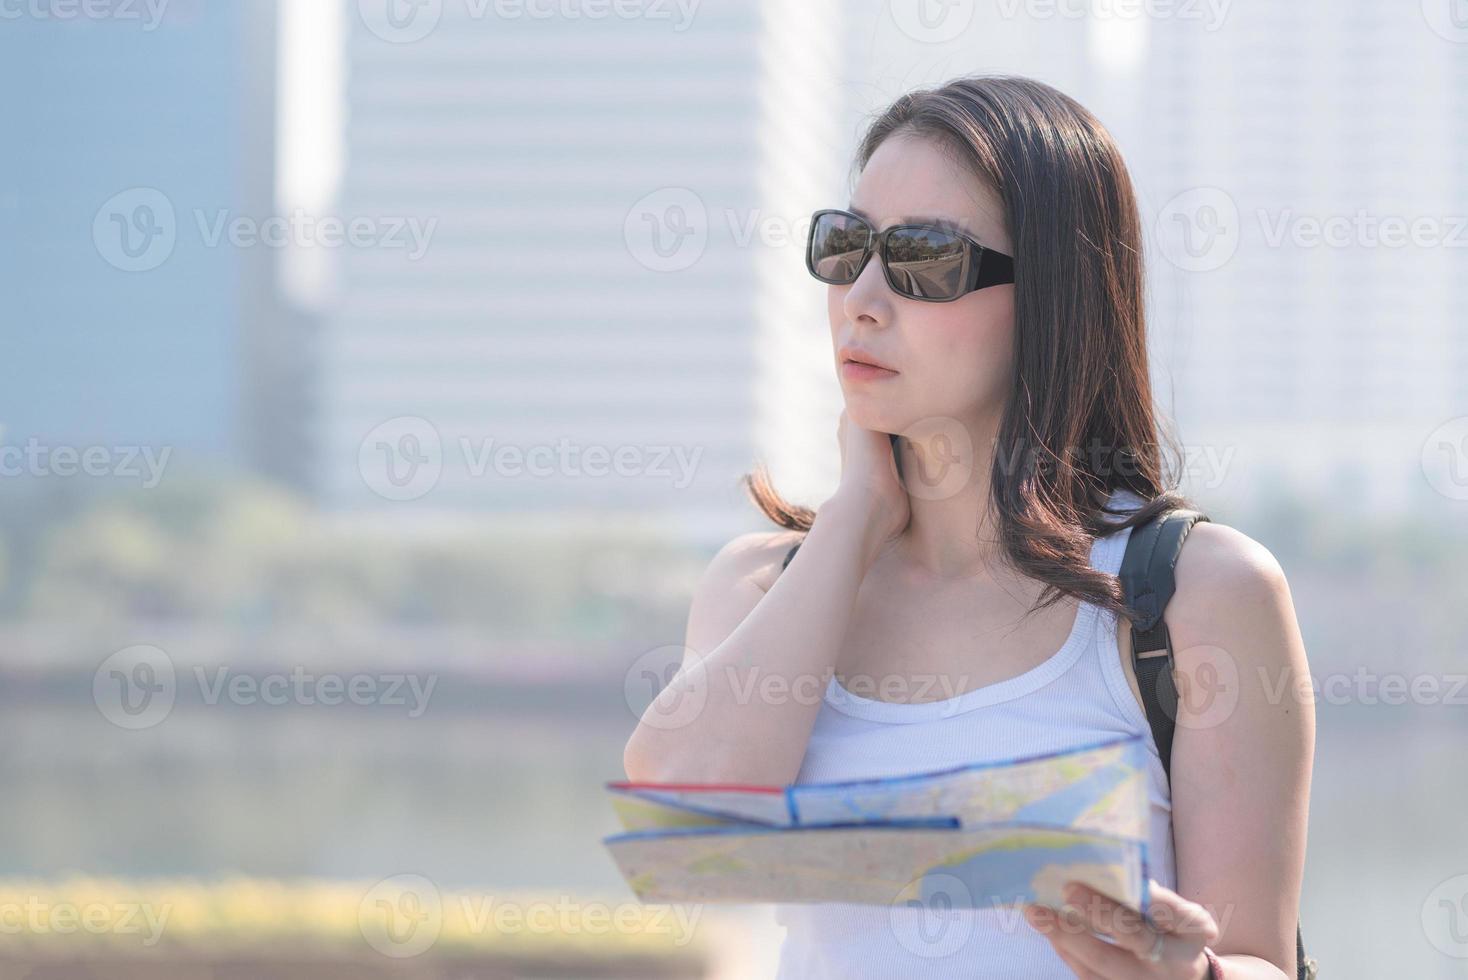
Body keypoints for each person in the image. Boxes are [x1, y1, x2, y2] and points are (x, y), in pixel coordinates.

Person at [622, 74, 1313, 980]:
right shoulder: (762, 584)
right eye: (846, 246)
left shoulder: (1194, 593)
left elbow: (1256, 950)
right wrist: (856, 516)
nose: (862, 298)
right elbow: (681, 817)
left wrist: (1197, 976)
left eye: (925, 259)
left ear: (1056, 294)